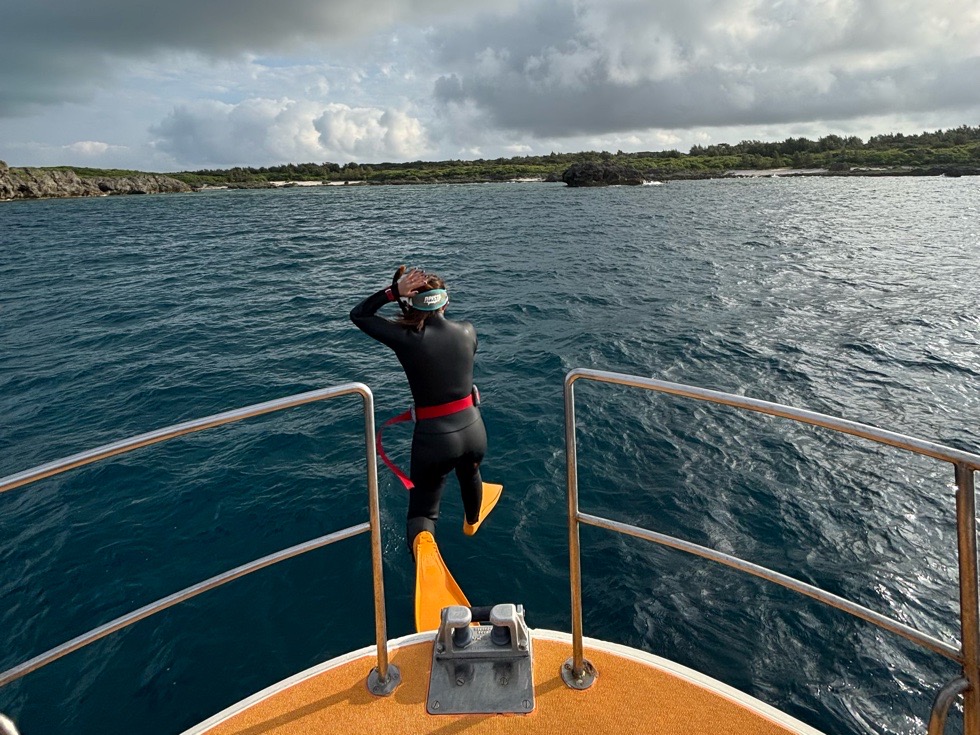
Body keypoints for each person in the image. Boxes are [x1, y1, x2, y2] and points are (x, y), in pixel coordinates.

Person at [350, 266, 496, 555]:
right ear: (445, 302)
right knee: (470, 475)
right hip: (475, 431)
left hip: (435, 439)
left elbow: (360, 315)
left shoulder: (406, 339)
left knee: (424, 513)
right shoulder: (468, 331)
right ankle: (471, 522)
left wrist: (393, 293)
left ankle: (427, 558)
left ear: (409, 304)